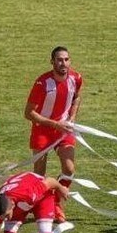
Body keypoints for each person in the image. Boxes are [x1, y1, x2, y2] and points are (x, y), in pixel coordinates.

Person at [24, 46, 83, 223]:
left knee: (69, 168)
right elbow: (29, 113)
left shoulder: (76, 78)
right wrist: (54, 124)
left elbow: (77, 97)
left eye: (66, 59)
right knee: (39, 174)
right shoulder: (42, 83)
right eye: (59, 60)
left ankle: (56, 201)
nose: (63, 63)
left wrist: (71, 118)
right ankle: (40, 205)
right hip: (43, 129)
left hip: (63, 130)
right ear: (52, 62)